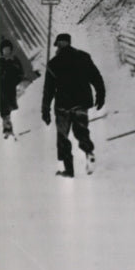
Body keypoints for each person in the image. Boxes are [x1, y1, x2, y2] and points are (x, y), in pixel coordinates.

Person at [41, 33, 106, 178]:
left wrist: (45, 110)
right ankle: (89, 152)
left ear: (58, 45)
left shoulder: (54, 63)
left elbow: (48, 90)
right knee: (81, 132)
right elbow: (96, 77)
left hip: (63, 105)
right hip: (81, 103)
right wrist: (100, 94)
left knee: (63, 137)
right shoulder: (83, 57)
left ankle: (69, 170)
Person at [0, 39, 26, 139]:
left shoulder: (14, 60)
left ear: (11, 50)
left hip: (10, 89)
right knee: (3, 110)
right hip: (0, 89)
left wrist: (14, 82)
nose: (6, 51)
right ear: (2, 50)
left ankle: (7, 128)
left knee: (6, 110)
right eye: (5, 49)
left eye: (8, 49)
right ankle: (7, 128)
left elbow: (20, 74)